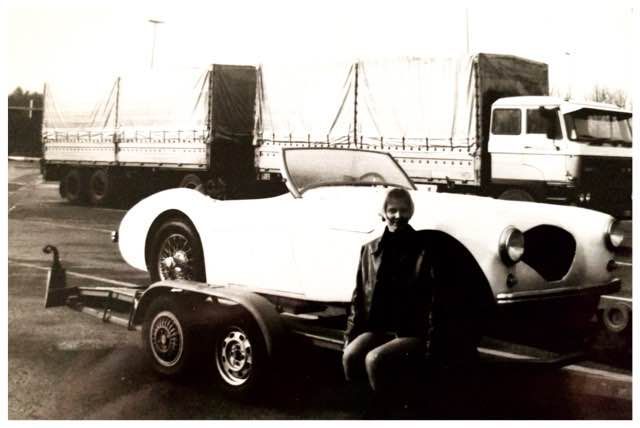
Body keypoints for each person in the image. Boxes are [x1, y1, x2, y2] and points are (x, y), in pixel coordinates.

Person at [342, 187, 438, 394]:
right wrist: (350, 337)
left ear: (411, 212)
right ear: (383, 213)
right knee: (350, 355)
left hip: (412, 331)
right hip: (378, 329)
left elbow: (434, 301)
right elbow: (358, 299)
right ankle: (362, 405)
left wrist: (431, 346)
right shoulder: (370, 250)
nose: (398, 216)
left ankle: (386, 408)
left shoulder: (424, 250)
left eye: (403, 210)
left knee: (374, 359)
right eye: (392, 210)